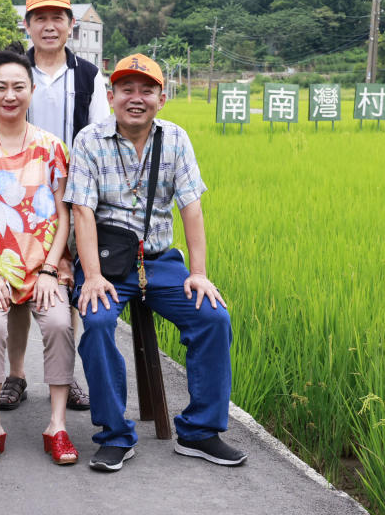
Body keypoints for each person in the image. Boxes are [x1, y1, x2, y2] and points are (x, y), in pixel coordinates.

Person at [64, 54, 247, 471]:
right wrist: (90, 275)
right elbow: (82, 213)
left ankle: (200, 431)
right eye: (126, 89)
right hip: (107, 264)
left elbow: (192, 208)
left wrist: (198, 274)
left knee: (213, 317)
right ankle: (115, 434)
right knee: (96, 321)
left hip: (161, 261)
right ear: (111, 97)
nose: (136, 98)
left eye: (146, 90)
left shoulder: (176, 138)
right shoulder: (90, 141)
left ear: (161, 98)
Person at [0, 0, 108, 412]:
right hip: (18, 204)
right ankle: (16, 375)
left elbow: (101, 139)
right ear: (27, 25)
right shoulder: (14, 74)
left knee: (63, 286)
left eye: (58, 18)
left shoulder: (89, 77)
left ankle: (64, 376)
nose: (49, 26)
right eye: (41, 18)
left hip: (74, 201)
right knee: (18, 284)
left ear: (71, 25)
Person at [0, 43, 78, 466]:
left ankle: (57, 426)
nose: (10, 95)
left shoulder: (51, 147)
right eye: (1, 86)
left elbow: (64, 217)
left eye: (18, 87)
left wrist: (47, 269)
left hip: (41, 265)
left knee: (60, 323)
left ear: (31, 91)